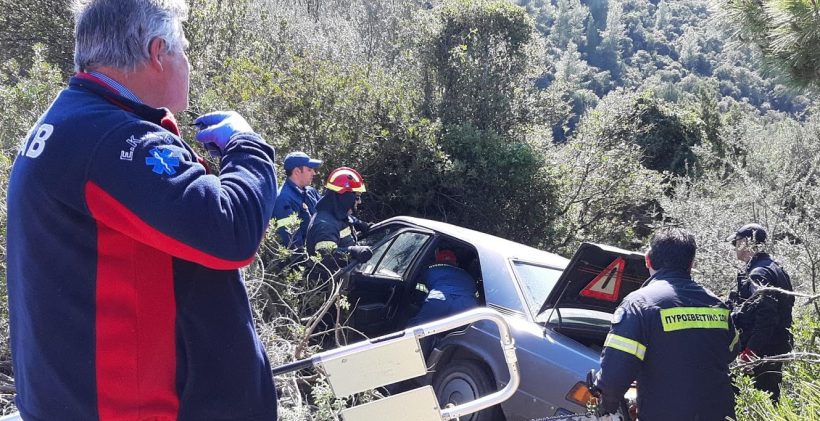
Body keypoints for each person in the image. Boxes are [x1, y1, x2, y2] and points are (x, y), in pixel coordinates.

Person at [6, 1, 279, 420]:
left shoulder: (71, 121)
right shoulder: (112, 137)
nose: (188, 62)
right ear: (157, 52)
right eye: (184, 49)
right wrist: (249, 148)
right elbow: (231, 231)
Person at [593, 228, 737, 421]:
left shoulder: (639, 305)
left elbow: (614, 376)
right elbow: (731, 351)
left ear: (647, 260)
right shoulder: (717, 304)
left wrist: (605, 405)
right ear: (691, 264)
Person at [726, 223, 794, 402]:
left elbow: (767, 317)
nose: (735, 247)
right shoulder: (775, 268)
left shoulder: (758, 273)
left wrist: (750, 352)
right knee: (770, 401)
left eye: (736, 242)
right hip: (774, 348)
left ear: (747, 242)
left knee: (752, 402)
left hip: (760, 353)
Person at [406, 248, 479, 355]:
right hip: (468, 306)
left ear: (438, 260)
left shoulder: (430, 270)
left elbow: (419, 292)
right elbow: (476, 296)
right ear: (455, 262)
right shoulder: (467, 275)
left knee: (416, 330)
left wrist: (421, 306)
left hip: (439, 300)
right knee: (460, 339)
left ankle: (410, 357)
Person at [305, 167, 372, 265]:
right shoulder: (325, 224)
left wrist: (364, 225)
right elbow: (326, 256)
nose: (359, 202)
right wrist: (353, 251)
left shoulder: (337, 213)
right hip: (333, 275)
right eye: (357, 197)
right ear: (346, 198)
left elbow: (348, 219)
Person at [272, 151, 322, 249]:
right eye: (309, 169)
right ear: (297, 171)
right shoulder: (283, 199)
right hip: (306, 256)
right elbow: (292, 241)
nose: (314, 173)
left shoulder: (311, 192)